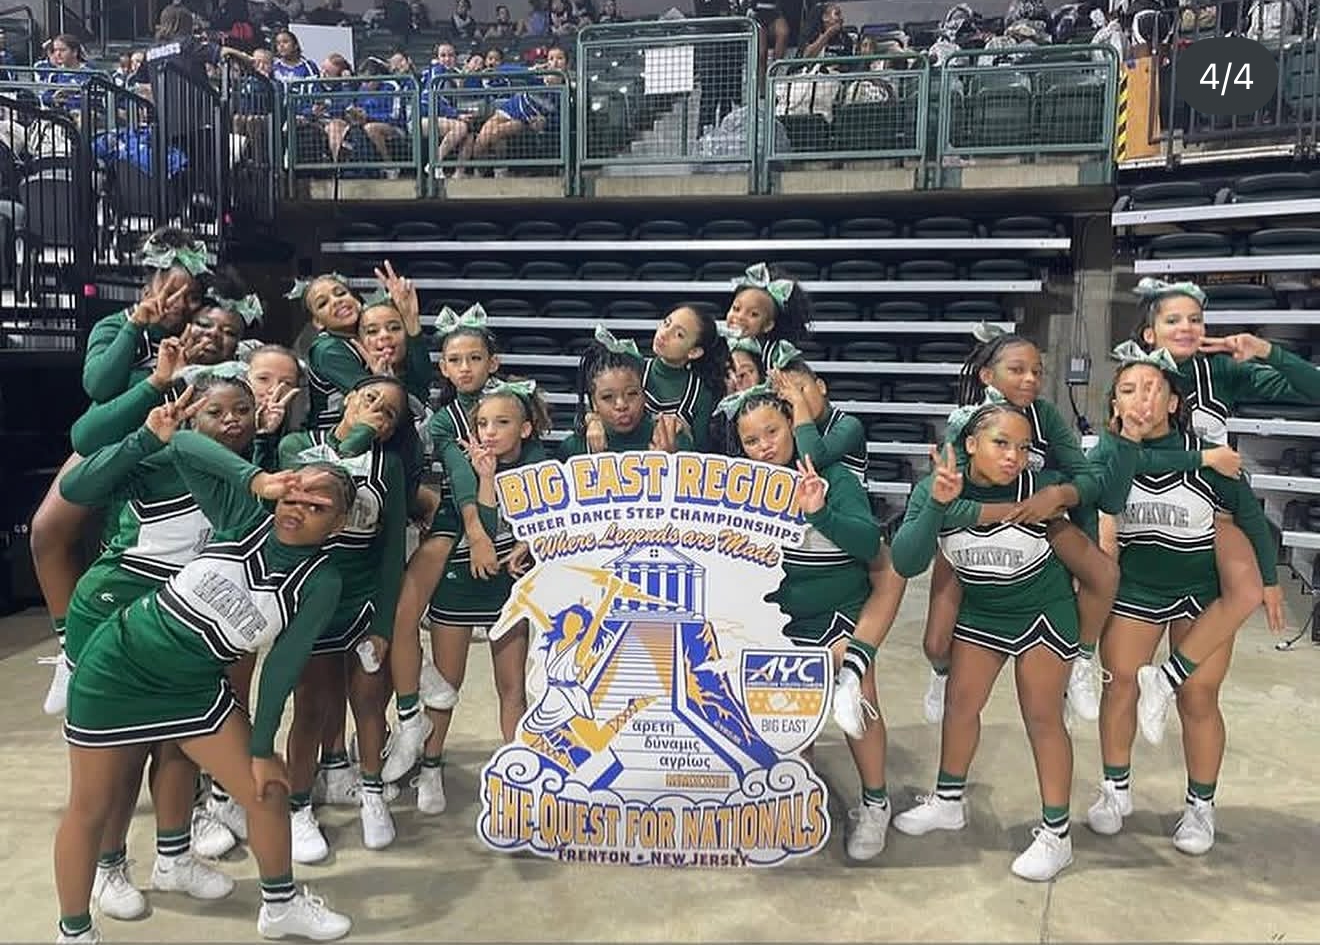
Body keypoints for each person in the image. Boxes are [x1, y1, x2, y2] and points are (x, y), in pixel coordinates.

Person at [53, 399, 355, 944]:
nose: (299, 504)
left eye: (318, 504)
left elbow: (282, 665)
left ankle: (280, 906)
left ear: (338, 524)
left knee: (267, 789)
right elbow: (186, 443)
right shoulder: (243, 517)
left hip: (194, 689)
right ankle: (74, 931)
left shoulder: (322, 581)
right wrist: (258, 479)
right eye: (296, 490)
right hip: (117, 667)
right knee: (90, 806)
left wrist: (263, 748)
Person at [889, 402, 1099, 881]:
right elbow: (906, 560)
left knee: (1042, 718)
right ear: (970, 444)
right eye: (1000, 443)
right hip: (982, 611)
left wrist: (1067, 490)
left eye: (1022, 447)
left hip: (1043, 613)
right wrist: (939, 504)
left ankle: (1057, 835)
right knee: (960, 706)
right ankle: (947, 801)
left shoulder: (1041, 488)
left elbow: (1093, 487)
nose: (1012, 456)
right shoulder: (937, 486)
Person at [1086, 344, 1278, 856]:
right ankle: (1114, 791)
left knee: (1198, 697)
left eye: (1152, 388)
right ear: (1114, 403)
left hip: (1200, 595)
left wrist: (1271, 579)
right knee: (1119, 686)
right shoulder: (1106, 453)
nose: (1141, 399)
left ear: (1174, 401)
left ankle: (1200, 807)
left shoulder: (1213, 460)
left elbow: (1252, 513)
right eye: (1128, 390)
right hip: (1136, 590)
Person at [722, 387, 890, 861]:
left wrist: (821, 512)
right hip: (782, 623)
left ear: (792, 428)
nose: (765, 447)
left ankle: (875, 803)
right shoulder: (744, 488)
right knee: (787, 718)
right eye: (752, 441)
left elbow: (867, 545)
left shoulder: (836, 476)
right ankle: (794, 796)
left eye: (772, 432)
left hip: (841, 615)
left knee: (862, 704)